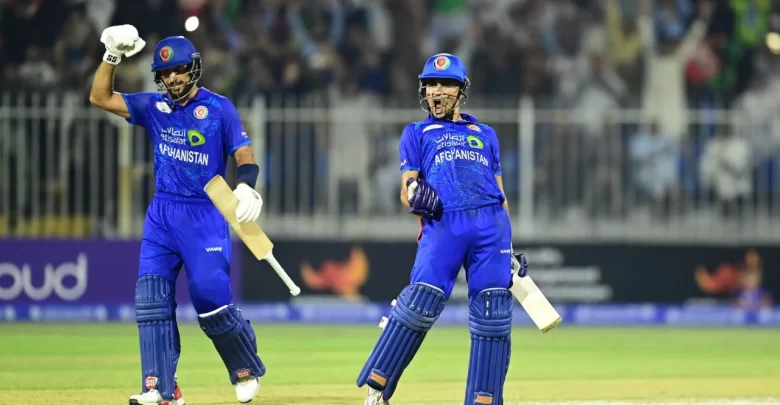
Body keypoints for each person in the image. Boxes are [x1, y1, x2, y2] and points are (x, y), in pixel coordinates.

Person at [88, 25, 265, 405]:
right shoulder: (154, 107)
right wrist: (111, 56)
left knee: (209, 300)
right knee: (151, 299)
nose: (172, 78)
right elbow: (99, 97)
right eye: (166, 73)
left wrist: (247, 185)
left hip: (205, 215)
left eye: (179, 70)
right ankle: (160, 388)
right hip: (163, 214)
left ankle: (244, 367)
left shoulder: (219, 108)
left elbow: (244, 154)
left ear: (194, 69)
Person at [356, 53, 526, 405]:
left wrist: (509, 243)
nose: (437, 91)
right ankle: (378, 385)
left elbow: (500, 193)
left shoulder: (486, 134)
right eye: (431, 84)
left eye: (446, 84)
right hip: (444, 221)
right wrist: (416, 195)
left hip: (490, 226)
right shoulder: (416, 132)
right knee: (422, 301)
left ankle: (484, 398)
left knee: (494, 312)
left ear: (461, 91)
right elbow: (407, 188)